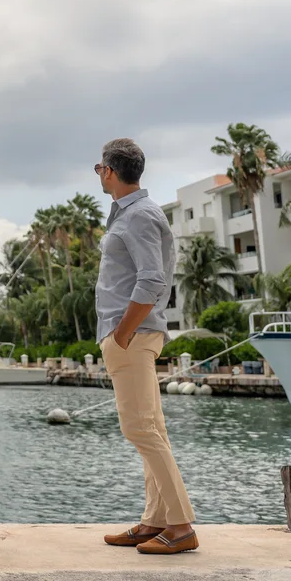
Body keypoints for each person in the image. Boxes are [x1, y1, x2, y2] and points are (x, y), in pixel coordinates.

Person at [95, 138, 198, 555]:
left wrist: (121, 333)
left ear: (109, 171)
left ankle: (181, 526)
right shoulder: (131, 213)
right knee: (151, 429)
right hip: (133, 334)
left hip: (133, 336)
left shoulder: (138, 216)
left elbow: (152, 280)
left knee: (138, 428)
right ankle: (156, 520)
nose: (99, 174)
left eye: (99, 168)